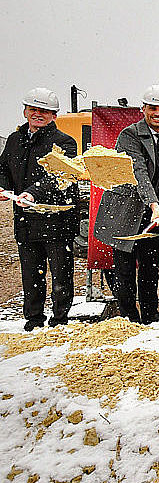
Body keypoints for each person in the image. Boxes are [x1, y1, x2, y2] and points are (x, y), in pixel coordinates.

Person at [94, 85, 159, 324]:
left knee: (150, 268)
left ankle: (151, 315)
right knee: (124, 269)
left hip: (152, 213)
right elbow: (138, 173)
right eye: (152, 108)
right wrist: (155, 206)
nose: (157, 113)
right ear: (143, 109)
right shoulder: (129, 135)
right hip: (125, 211)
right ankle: (129, 317)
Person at [0, 88, 78, 331]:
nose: (38, 114)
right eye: (33, 109)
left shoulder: (64, 142)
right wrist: (2, 187)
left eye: (44, 111)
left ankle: (59, 321)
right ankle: (33, 320)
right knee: (31, 274)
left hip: (56, 221)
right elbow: (3, 168)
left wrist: (34, 192)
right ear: (25, 111)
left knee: (60, 274)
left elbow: (60, 175)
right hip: (25, 220)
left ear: (54, 115)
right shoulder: (14, 140)